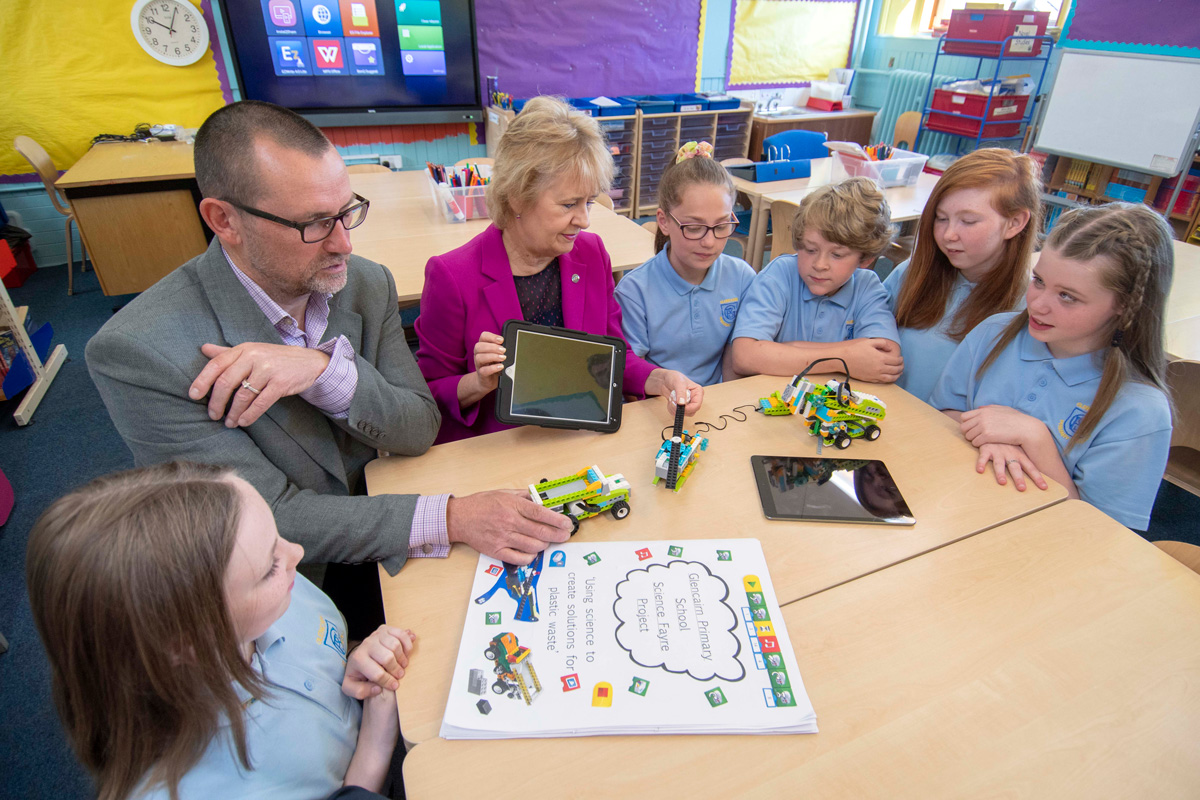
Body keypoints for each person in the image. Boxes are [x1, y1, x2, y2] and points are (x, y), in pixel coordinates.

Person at [86, 101, 572, 637]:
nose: (345, 243)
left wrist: (323, 370)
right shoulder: (139, 352)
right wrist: (452, 517)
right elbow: (266, 521)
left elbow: (416, 427)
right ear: (224, 220)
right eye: (315, 224)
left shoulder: (365, 282)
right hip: (291, 586)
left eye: (347, 211)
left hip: (391, 516)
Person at [26, 462, 414, 800]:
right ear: (187, 641)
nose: (295, 552)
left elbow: (328, 650)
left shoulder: (276, 595)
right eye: (268, 568)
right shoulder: (209, 787)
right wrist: (377, 742)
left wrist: (354, 656)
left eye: (276, 536)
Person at [415, 95, 702, 444]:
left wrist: (661, 379)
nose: (583, 220)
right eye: (569, 204)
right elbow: (426, 394)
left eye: (589, 202)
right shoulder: (452, 276)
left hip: (581, 440)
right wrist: (476, 383)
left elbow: (612, 358)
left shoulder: (591, 254)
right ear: (517, 196)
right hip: (499, 453)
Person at [929, 203, 1173, 530]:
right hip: (949, 513)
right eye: (1039, 280)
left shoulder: (1139, 411)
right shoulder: (994, 332)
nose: (1038, 305)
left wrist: (1035, 439)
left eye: (1068, 296)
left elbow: (1103, 536)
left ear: (1124, 306)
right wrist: (993, 438)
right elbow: (939, 416)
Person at [884, 148, 1040, 401]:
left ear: (1015, 223)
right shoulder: (911, 274)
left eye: (968, 221)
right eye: (941, 218)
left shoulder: (1030, 309)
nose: (948, 235)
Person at [729, 177, 902, 381]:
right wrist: (845, 357)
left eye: (837, 255)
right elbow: (744, 356)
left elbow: (887, 360)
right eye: (811, 249)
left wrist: (785, 351)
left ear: (864, 259)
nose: (819, 265)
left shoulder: (867, 287)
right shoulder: (781, 274)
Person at [614, 141, 755, 386]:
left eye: (721, 226)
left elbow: (740, 354)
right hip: (660, 407)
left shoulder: (742, 277)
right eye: (694, 228)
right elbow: (630, 376)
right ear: (664, 221)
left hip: (720, 404)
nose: (709, 242)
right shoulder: (634, 291)